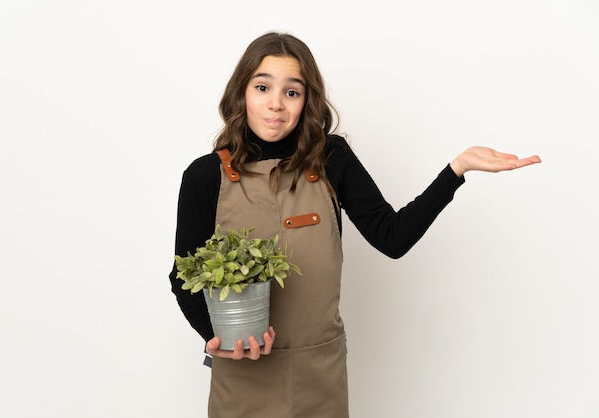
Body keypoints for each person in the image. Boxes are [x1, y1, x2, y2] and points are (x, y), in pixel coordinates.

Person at [168, 31, 541, 418]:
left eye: (292, 92)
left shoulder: (331, 158)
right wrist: (216, 338)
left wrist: (456, 170)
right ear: (241, 92)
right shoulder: (205, 175)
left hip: (320, 377)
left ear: (306, 101)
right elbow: (183, 277)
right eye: (263, 87)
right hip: (241, 377)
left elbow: (392, 237)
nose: (275, 104)